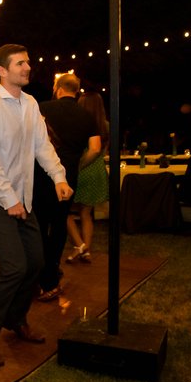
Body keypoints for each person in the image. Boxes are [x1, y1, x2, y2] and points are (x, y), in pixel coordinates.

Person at [0, 44, 72, 366]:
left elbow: (43, 146)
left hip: (20, 200)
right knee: (13, 266)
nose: (28, 67)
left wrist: (58, 177)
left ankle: (15, 319)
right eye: (20, 63)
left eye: (28, 62)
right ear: (2, 70)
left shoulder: (30, 104)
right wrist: (10, 200)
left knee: (37, 263)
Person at [34, 73, 101, 301]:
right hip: (69, 176)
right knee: (60, 224)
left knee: (40, 225)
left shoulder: (42, 108)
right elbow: (95, 148)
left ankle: (42, 275)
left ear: (58, 88)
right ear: (77, 90)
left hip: (41, 176)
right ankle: (52, 270)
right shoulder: (86, 115)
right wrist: (77, 164)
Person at [66, 91, 110, 263]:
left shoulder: (77, 123)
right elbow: (104, 150)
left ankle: (79, 245)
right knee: (86, 213)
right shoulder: (105, 125)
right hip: (97, 169)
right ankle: (86, 250)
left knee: (65, 212)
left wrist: (77, 165)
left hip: (81, 168)